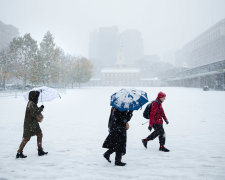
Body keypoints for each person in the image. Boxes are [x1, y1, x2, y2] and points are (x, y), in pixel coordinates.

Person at [16, 91, 48, 158]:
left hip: (33, 124)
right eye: (36, 96)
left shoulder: (32, 103)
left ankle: (40, 150)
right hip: (29, 124)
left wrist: (39, 108)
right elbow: (34, 113)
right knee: (27, 138)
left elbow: (34, 111)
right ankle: (19, 152)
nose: (37, 98)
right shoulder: (31, 104)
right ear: (34, 97)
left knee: (39, 134)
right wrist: (41, 108)